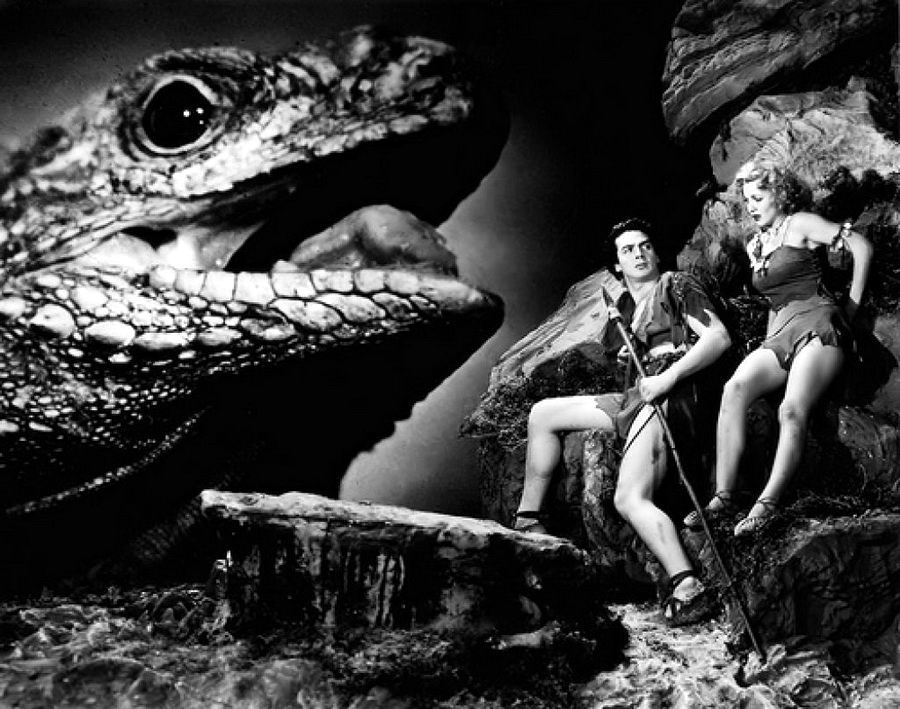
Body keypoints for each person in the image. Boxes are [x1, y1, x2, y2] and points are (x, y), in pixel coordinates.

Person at [513, 218, 732, 625]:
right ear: (616, 265)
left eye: (645, 245)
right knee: (542, 414)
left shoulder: (676, 285)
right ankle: (528, 521)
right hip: (638, 396)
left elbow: (718, 338)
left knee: (629, 498)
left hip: (674, 393)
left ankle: (687, 584)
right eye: (628, 249)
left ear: (657, 252)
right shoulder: (626, 309)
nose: (639, 253)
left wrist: (668, 376)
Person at [689, 160, 873, 536]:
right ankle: (723, 498)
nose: (751, 206)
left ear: (780, 194)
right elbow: (774, 300)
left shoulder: (800, 223)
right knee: (734, 388)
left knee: (791, 409)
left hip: (819, 325)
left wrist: (852, 308)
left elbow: (861, 246)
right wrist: (768, 345)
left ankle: (767, 505)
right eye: (747, 200)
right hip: (781, 333)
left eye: (758, 197)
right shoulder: (756, 243)